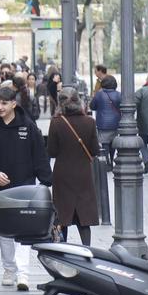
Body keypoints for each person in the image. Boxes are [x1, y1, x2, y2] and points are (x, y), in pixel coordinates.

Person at [0, 87, 52, 291]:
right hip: (1, 189)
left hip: (25, 187)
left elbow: (40, 155)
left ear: (14, 104)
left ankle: (23, 274)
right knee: (4, 232)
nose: (0, 107)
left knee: (23, 232)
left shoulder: (28, 127)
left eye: (4, 103)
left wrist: (46, 181)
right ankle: (9, 269)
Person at [47, 89, 100, 245]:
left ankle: (62, 248)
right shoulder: (90, 122)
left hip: (62, 173)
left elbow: (52, 151)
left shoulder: (56, 122)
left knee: (62, 214)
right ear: (79, 101)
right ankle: (87, 248)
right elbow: (95, 150)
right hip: (83, 173)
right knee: (83, 216)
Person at [90, 75, 122, 163]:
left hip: (102, 124)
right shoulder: (119, 94)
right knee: (113, 143)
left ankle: (106, 162)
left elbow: (92, 106)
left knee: (104, 144)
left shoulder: (99, 94)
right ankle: (111, 159)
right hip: (115, 123)